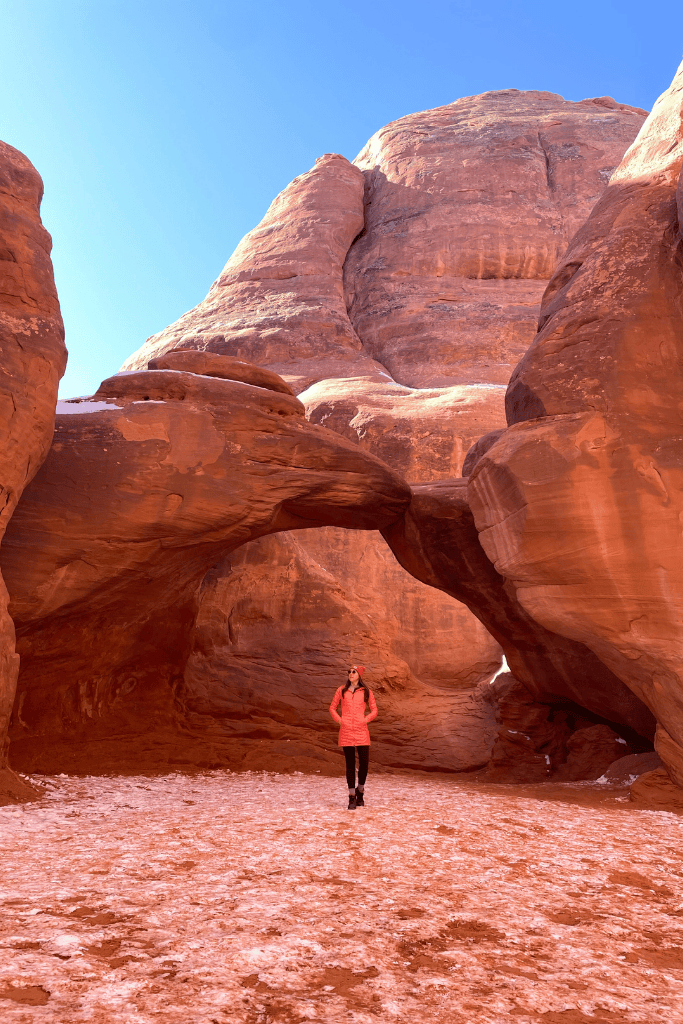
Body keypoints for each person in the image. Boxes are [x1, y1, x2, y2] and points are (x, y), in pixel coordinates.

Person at [329, 665, 378, 810]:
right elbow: (332, 707)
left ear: (359, 675)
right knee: (350, 764)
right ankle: (351, 797)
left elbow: (375, 710)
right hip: (346, 731)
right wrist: (340, 720)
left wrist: (365, 720)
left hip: (362, 730)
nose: (351, 674)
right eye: (349, 672)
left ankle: (360, 791)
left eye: (354, 672)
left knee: (364, 763)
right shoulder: (341, 690)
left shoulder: (367, 692)